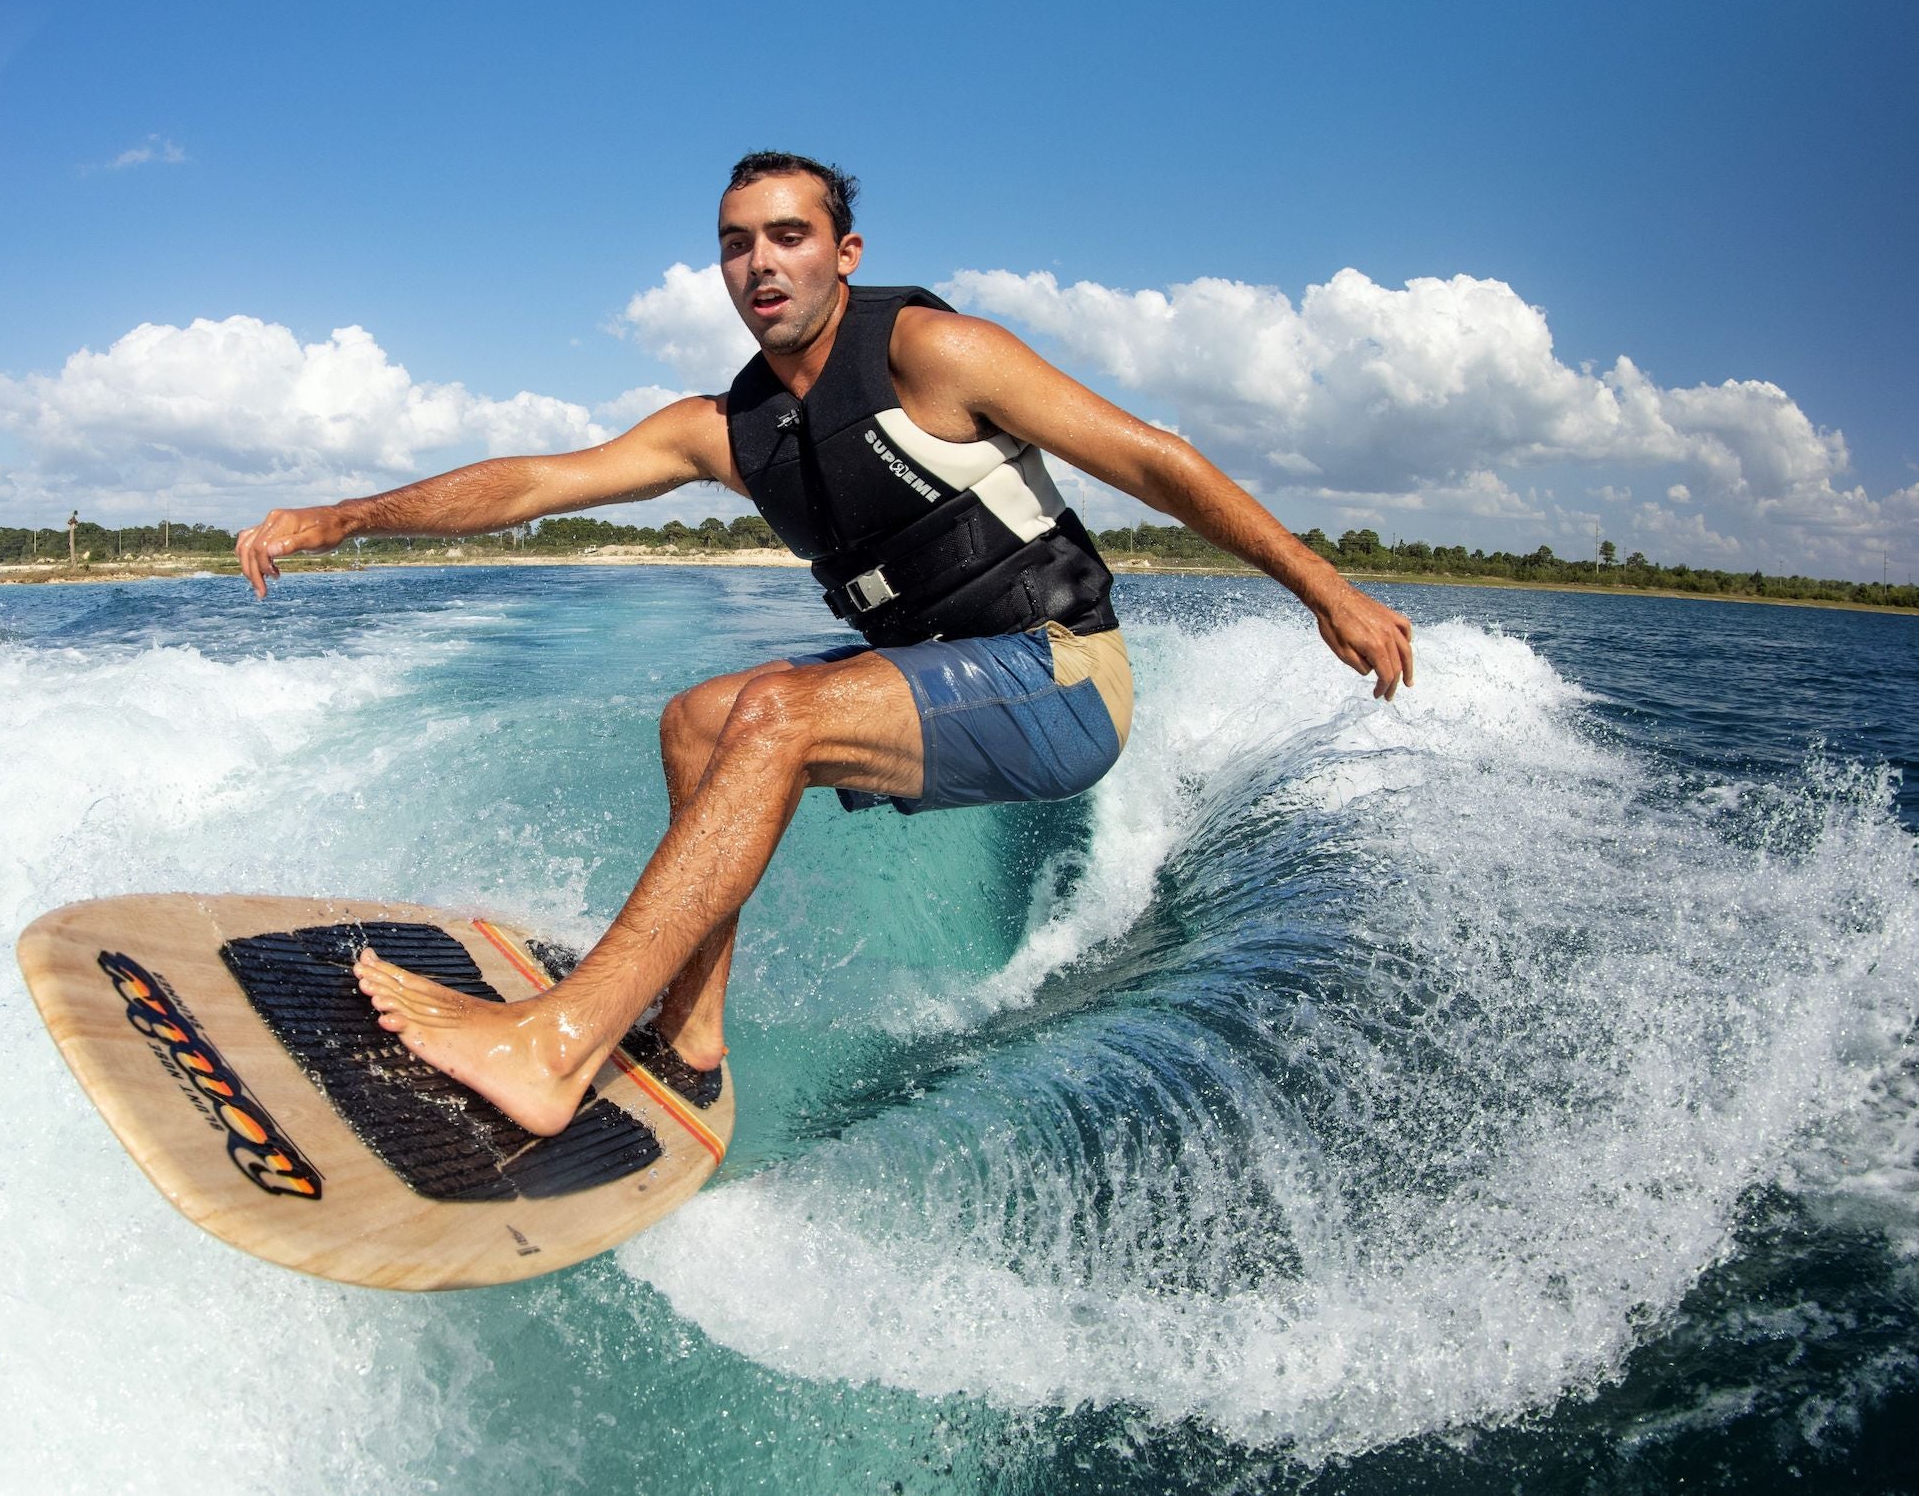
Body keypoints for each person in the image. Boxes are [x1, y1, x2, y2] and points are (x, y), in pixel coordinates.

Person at [235, 151, 1415, 1136]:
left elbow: (1153, 456)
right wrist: (345, 517)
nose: (761, 262)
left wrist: (1325, 590)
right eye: (737, 241)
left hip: (1062, 681)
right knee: (698, 718)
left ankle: (556, 1043)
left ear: (841, 253)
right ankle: (690, 1035)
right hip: (937, 682)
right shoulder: (727, 426)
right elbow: (539, 481)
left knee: (775, 713)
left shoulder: (932, 353)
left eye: (789, 234)